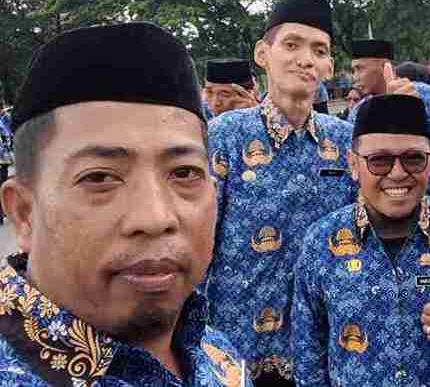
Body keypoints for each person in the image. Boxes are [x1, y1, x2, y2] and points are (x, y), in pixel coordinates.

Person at [0, 22, 250, 386]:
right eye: (100, 177)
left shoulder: (217, 353)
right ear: (24, 212)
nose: (155, 218)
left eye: (184, 172)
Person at [204, 0, 357, 387]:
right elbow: (198, 239)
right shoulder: (225, 136)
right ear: (263, 54)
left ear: (329, 66)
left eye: (318, 50)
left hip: (323, 345)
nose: (305, 59)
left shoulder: (346, 142)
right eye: (291, 44)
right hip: (239, 344)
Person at [293, 94, 430, 386]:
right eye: (379, 161)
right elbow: (308, 352)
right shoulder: (322, 242)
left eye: (413, 159)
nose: (398, 173)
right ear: (353, 164)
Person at [348, 40, 430, 197]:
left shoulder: (429, 97)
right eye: (353, 70)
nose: (355, 77)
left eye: (359, 69)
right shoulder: (359, 112)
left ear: (385, 66)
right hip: (384, 199)